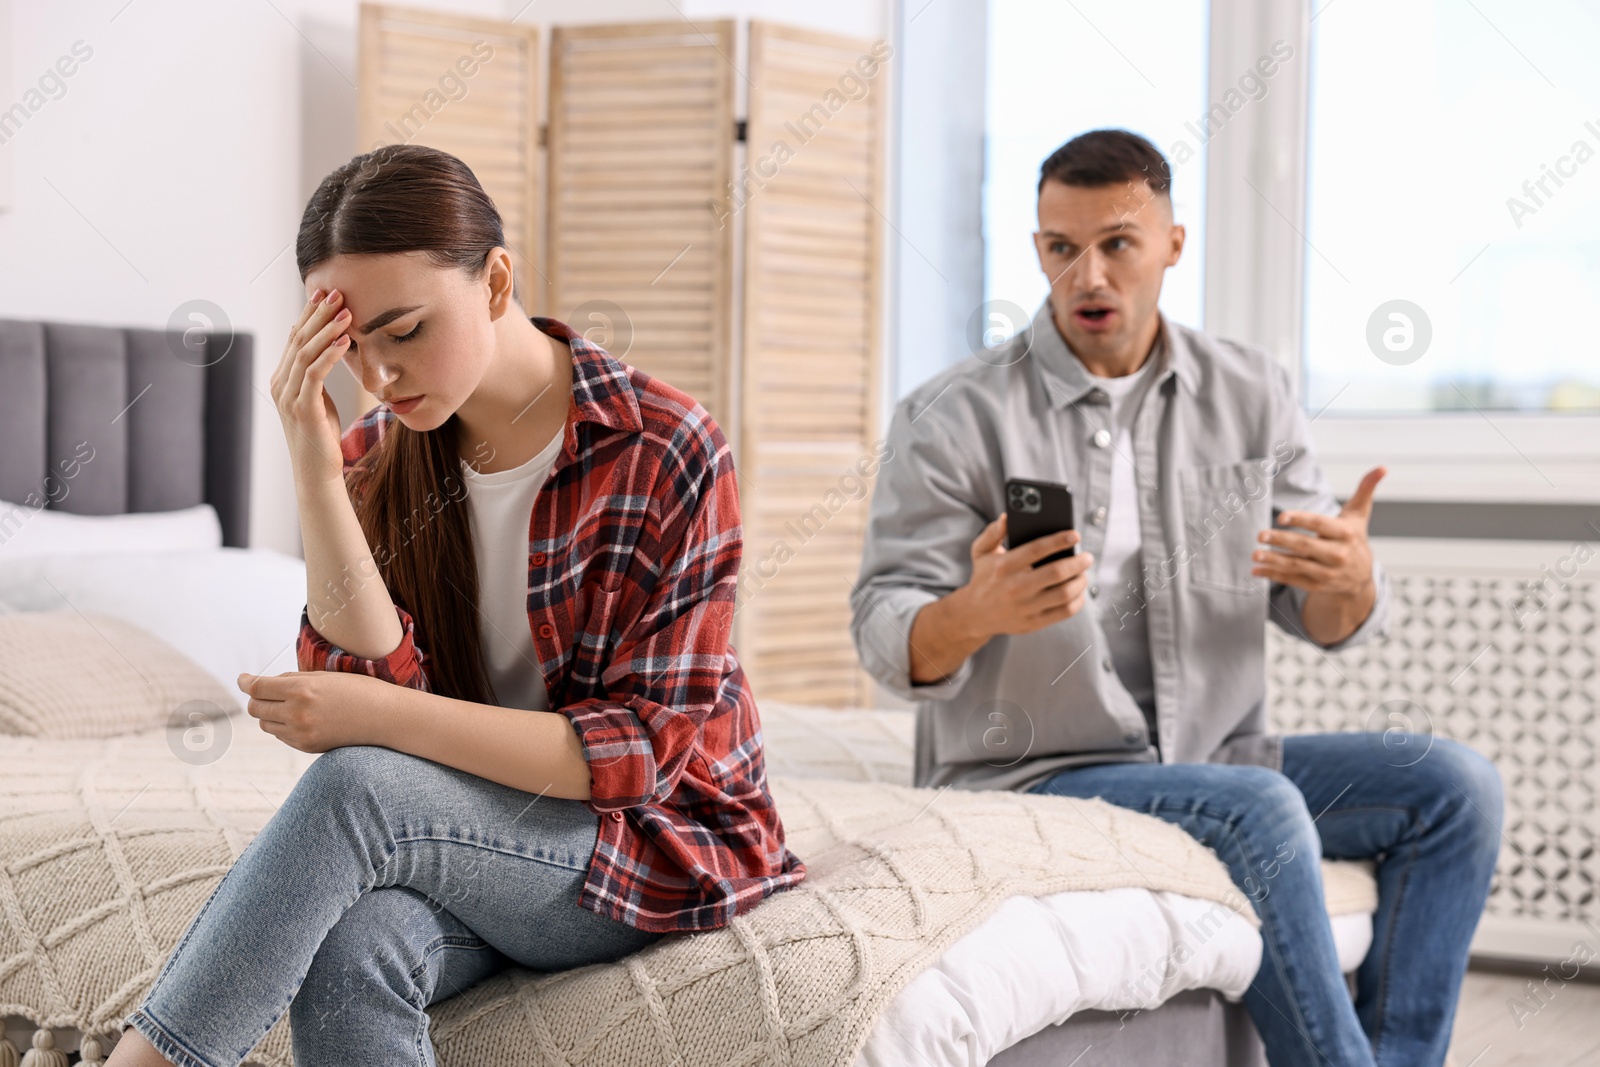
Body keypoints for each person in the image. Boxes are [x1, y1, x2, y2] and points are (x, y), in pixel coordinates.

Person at [111, 143, 804, 1067]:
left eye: (404, 331)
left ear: (495, 281)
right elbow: (369, 681)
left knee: (358, 789)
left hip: (655, 843)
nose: (381, 375)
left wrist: (383, 717)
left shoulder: (664, 447)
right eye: (350, 347)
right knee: (355, 949)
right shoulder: (378, 451)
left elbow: (636, 755)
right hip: (500, 839)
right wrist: (317, 476)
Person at [850, 129, 1501, 1067]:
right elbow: (882, 625)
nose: (1088, 274)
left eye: (1117, 242)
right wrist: (973, 612)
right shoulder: (952, 413)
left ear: (1172, 245)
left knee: (1455, 789)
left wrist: (1352, 584)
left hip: (1216, 755)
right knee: (1262, 806)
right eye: (1059, 247)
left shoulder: (1250, 391)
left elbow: (1313, 617)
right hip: (1036, 767)